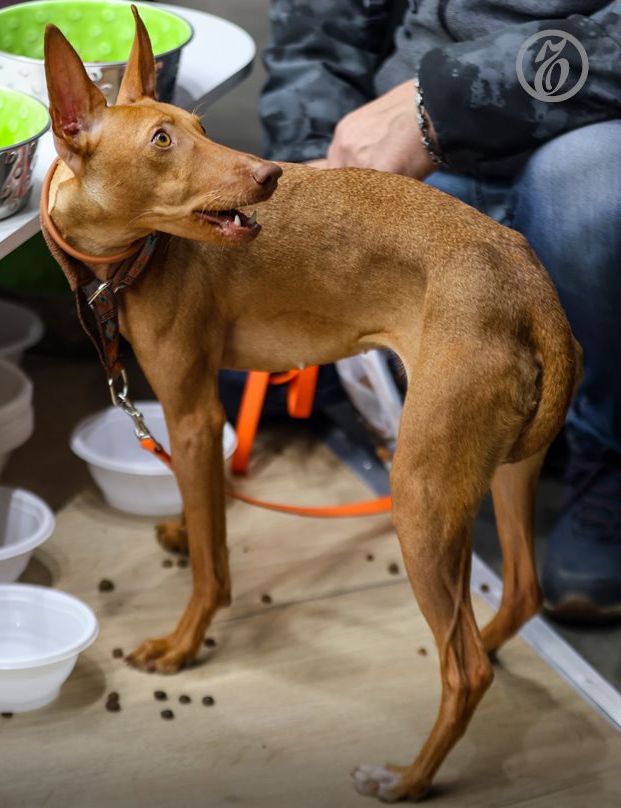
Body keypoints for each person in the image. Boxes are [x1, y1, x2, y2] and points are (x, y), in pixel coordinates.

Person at [259, 0, 621, 622]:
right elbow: (317, 26)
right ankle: (396, 395)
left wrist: (444, 103)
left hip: (591, 135)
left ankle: (604, 443)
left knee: (590, 197)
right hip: (414, 141)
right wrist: (312, 164)